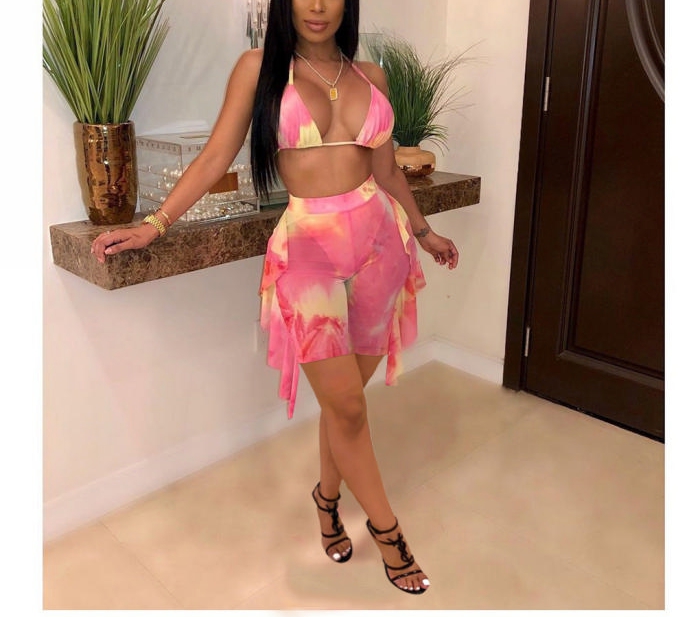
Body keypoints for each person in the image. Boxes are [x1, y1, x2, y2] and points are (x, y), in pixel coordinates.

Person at [91, 0, 459, 596]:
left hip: (379, 245)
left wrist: (423, 231)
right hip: (307, 253)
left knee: (344, 405)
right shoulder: (259, 69)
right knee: (349, 408)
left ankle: (326, 498)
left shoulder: (372, 76)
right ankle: (390, 534)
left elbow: (388, 173)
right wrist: (153, 225)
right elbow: (215, 156)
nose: (317, 6)